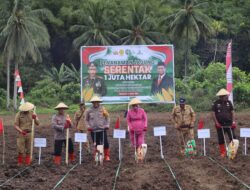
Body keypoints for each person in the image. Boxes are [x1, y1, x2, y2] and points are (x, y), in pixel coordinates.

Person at [212, 88, 237, 157]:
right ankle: (223, 152)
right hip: (220, 124)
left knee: (233, 137)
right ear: (221, 96)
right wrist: (216, 123)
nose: (227, 97)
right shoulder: (216, 103)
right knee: (221, 138)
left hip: (229, 123)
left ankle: (232, 151)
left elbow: (232, 112)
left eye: (227, 96)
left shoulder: (229, 102)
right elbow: (213, 113)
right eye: (226, 96)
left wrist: (233, 121)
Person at [85, 95, 110, 161]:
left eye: (97, 102)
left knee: (105, 143)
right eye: (94, 102)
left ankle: (107, 155)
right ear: (92, 102)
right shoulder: (89, 110)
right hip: (93, 130)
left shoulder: (103, 109)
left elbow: (107, 117)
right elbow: (86, 120)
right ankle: (99, 156)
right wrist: (88, 126)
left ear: (99, 102)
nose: (95, 103)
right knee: (97, 144)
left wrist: (107, 125)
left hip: (102, 129)